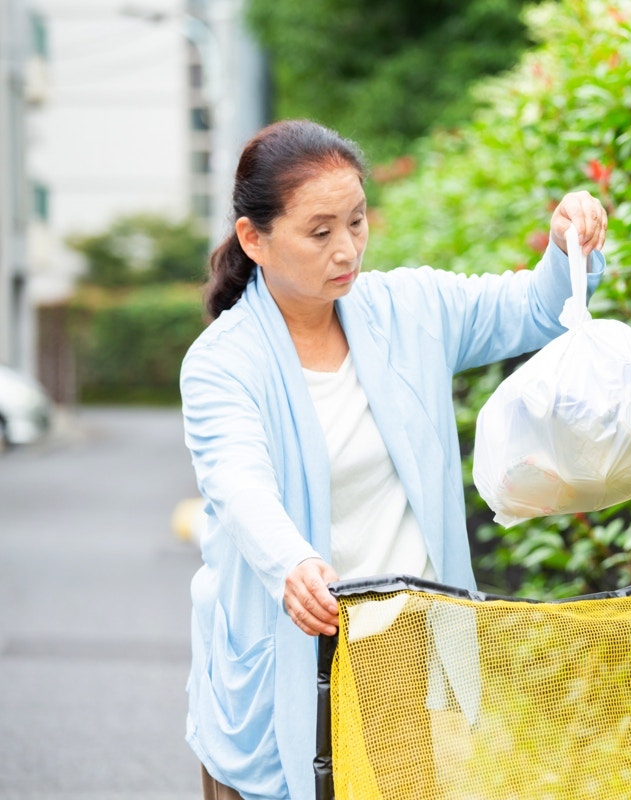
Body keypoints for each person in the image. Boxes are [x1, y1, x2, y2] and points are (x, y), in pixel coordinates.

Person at [180, 118, 606, 800]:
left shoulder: (409, 309)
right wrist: (291, 562)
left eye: (355, 222)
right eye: (320, 232)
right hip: (286, 653)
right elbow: (236, 479)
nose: (346, 249)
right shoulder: (223, 362)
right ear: (254, 239)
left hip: (394, 651)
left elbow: (532, 308)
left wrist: (566, 246)